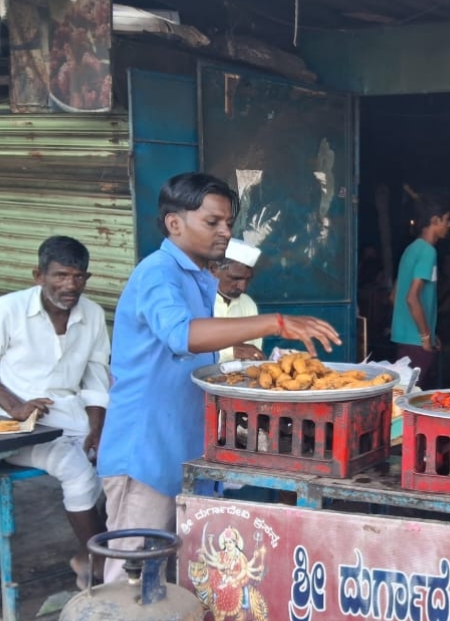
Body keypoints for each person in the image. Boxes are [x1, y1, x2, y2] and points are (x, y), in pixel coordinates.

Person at [97, 172, 341, 583]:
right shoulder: (158, 273)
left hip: (182, 443)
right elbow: (182, 336)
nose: (225, 232)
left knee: (175, 573)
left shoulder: (199, 276)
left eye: (229, 222)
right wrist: (275, 323)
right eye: (213, 222)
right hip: (145, 449)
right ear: (175, 223)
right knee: (132, 577)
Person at [0, 236, 108, 588]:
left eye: (78, 277)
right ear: (38, 275)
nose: (70, 286)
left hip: (67, 415)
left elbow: (95, 374)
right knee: (75, 469)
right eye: (61, 276)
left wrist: (97, 428)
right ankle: (101, 562)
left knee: (115, 461)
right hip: (11, 424)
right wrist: (17, 407)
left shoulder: (91, 314)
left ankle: (87, 556)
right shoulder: (9, 310)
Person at [391, 193, 450, 386]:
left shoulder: (410, 249)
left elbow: (394, 296)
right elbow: (412, 298)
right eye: (447, 220)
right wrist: (425, 336)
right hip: (417, 341)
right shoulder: (428, 251)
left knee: (403, 393)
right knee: (409, 398)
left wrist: (431, 333)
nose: (449, 225)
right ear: (435, 220)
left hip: (405, 337)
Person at [210, 238, 265, 362]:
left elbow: (254, 356)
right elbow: (186, 347)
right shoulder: (196, 301)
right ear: (213, 269)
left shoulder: (248, 304)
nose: (243, 287)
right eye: (235, 278)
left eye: (247, 280)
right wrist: (233, 351)